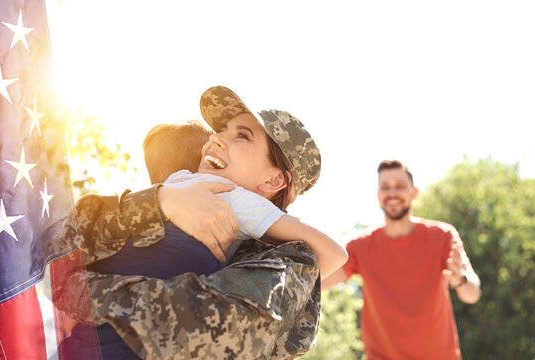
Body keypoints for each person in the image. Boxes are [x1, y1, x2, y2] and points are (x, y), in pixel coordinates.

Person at [54, 87, 335, 359]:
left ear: (275, 180)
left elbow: (208, 329)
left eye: (243, 137)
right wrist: (161, 200)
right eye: (221, 130)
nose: (215, 138)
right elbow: (56, 247)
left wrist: (86, 295)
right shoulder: (180, 188)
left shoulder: (292, 260)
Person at [322, 159, 482, 360]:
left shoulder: (442, 237)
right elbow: (320, 281)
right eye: (385, 187)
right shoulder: (360, 247)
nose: (392, 193)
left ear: (414, 192)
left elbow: (472, 294)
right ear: (378, 195)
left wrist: (461, 280)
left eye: (399, 186)